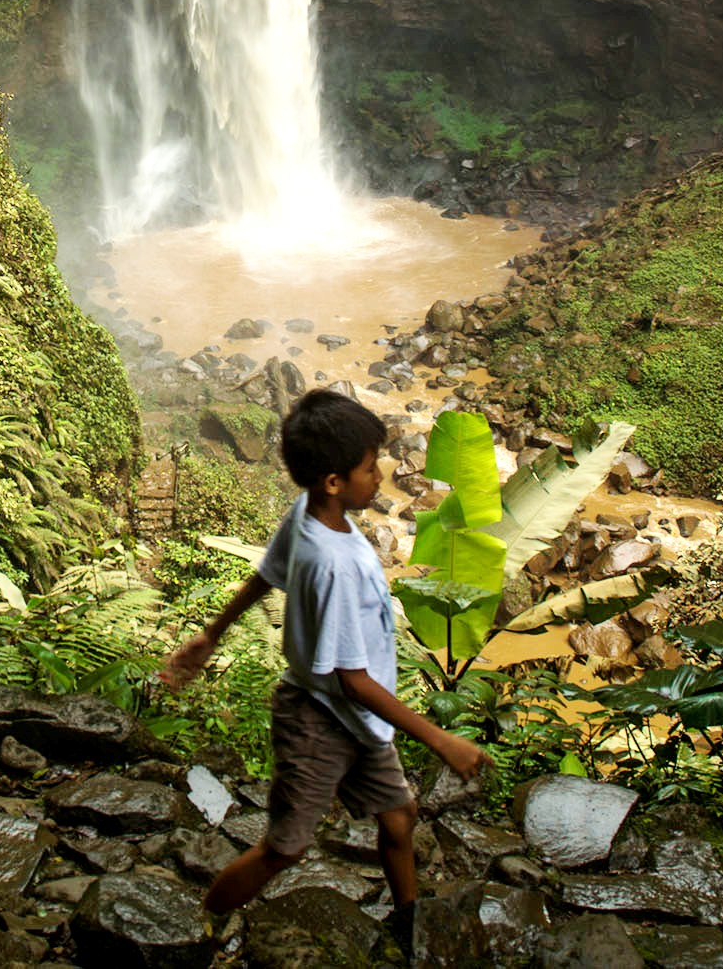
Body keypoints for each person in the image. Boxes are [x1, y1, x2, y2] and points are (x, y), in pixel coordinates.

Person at [160, 387, 488, 942]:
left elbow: (267, 571)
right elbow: (351, 679)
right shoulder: (332, 564)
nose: (381, 473)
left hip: (357, 719)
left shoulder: (309, 511)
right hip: (319, 719)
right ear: (334, 482)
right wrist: (441, 739)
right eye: (368, 466)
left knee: (399, 817)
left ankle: (408, 929)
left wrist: (211, 633)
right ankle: (189, 932)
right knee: (284, 849)